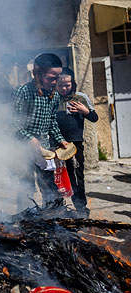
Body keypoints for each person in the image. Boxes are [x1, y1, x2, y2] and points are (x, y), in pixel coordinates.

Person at [11, 53, 69, 212]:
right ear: (37, 74)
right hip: (23, 148)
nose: (55, 82)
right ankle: (24, 221)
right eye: (51, 78)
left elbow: (52, 122)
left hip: (44, 149)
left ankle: (53, 219)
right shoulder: (23, 92)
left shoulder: (55, 95)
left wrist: (60, 139)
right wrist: (30, 139)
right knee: (26, 186)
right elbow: (13, 122)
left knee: (50, 186)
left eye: (57, 77)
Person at [55, 67, 98, 217]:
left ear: (73, 82)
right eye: (60, 85)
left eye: (67, 84)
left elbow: (94, 117)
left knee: (76, 177)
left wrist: (83, 110)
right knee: (56, 178)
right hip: (55, 145)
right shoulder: (52, 97)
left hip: (74, 145)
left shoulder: (80, 97)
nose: (64, 88)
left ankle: (81, 209)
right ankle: (56, 210)